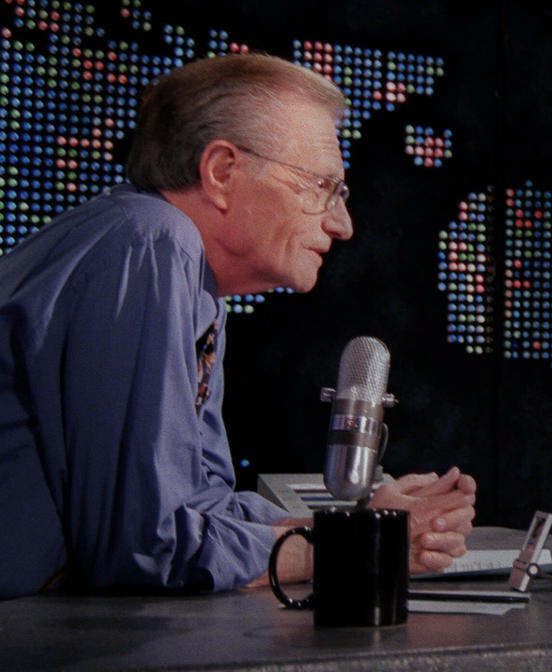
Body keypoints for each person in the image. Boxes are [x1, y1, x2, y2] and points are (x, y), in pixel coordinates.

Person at [0, 53, 476, 601]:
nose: (342, 224)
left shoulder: (187, 278)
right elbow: (146, 549)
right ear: (223, 172)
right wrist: (363, 544)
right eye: (322, 185)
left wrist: (365, 520)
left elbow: (200, 508)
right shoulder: (152, 243)